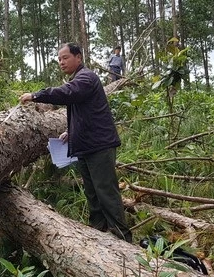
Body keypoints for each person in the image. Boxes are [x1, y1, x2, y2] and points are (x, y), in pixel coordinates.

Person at [19, 43, 132, 243]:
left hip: (99, 146)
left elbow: (68, 93)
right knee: (93, 194)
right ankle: (99, 234)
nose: (61, 62)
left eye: (65, 57)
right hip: (87, 147)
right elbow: (86, 113)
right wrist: (71, 132)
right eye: (59, 59)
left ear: (78, 57)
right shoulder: (79, 79)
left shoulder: (86, 77)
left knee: (106, 192)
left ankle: (122, 239)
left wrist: (37, 95)